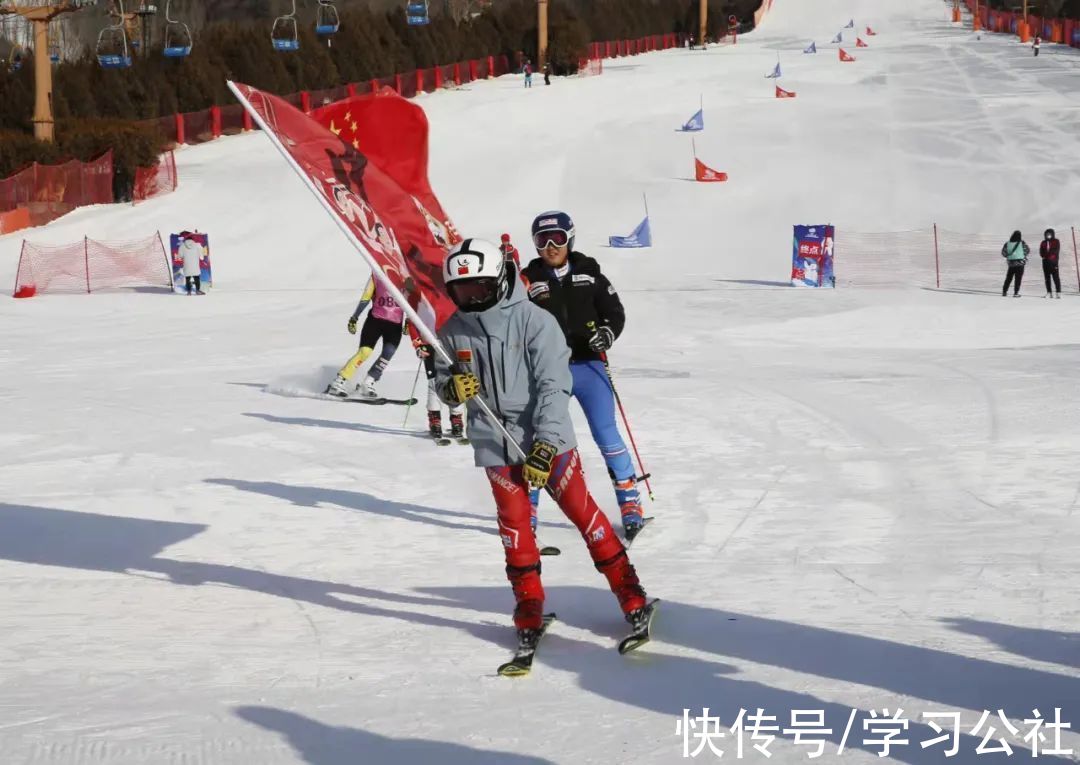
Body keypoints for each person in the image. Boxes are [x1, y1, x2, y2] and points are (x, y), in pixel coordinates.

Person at [432, 237, 651, 648]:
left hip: (546, 439)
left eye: (479, 288)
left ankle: (629, 592)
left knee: (582, 514)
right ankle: (528, 603)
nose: (472, 299)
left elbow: (555, 386)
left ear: (498, 280)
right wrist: (450, 390)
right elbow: (441, 375)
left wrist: (546, 445)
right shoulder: (453, 330)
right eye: (462, 292)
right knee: (515, 528)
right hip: (495, 441)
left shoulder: (535, 321)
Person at [521, 211, 645, 537]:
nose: (550, 246)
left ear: (570, 238)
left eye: (557, 238)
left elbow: (614, 312)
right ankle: (527, 507)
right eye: (542, 240)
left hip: (589, 365)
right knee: (539, 438)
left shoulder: (590, 274)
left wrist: (606, 333)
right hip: (548, 370)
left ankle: (629, 499)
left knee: (606, 432)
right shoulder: (527, 280)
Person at [325, 273, 410, 397]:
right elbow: (366, 297)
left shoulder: (406, 276)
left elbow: (412, 302)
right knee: (365, 352)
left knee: (387, 354)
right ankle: (338, 382)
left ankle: (368, 382)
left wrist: (409, 321)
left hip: (395, 324)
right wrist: (355, 317)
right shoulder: (377, 274)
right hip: (375, 320)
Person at [1001, 230, 1030, 298]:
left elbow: (1003, 253)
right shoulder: (1022, 243)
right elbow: (1027, 251)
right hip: (1020, 263)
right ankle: (1016, 293)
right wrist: (1022, 255)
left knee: (1008, 278)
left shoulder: (1007, 243)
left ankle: (1004, 291)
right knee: (1018, 279)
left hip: (1011, 264)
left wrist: (1010, 256)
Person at [1039, 228, 1061, 298]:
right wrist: (1044, 255)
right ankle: (1049, 292)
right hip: (1045, 262)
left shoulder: (1056, 241)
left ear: (1052, 234)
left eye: (1049, 234)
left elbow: (1056, 250)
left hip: (1053, 262)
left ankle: (1058, 292)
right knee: (1047, 278)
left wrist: (1048, 254)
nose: (1048, 235)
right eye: (1047, 234)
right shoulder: (1043, 242)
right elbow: (1041, 252)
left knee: (1056, 277)